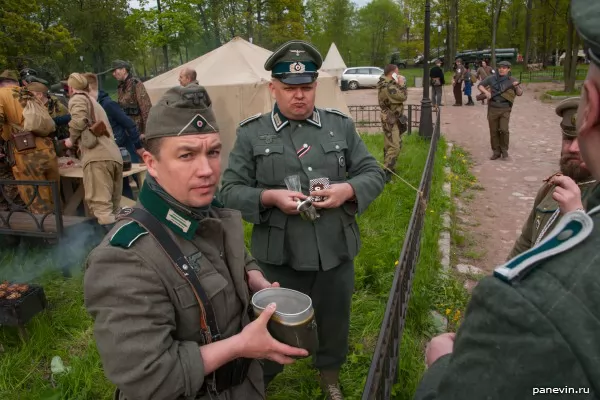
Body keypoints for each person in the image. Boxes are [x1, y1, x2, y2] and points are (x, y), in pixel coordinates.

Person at [413, 2, 600, 397]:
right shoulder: (554, 191)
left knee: (504, 136)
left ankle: (502, 151)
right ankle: (497, 151)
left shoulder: (535, 306)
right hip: (492, 111)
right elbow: (524, 245)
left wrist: (442, 367)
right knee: (496, 136)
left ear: (591, 104)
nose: (569, 147)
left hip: (505, 111)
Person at [84, 85, 307, 400]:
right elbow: (150, 379)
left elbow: (234, 256)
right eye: (186, 154)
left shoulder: (207, 213)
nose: (207, 170)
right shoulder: (124, 259)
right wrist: (241, 346)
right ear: (151, 162)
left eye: (213, 152)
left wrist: (253, 277)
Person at [220, 40, 385, 399]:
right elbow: (228, 190)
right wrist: (268, 197)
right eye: (290, 88)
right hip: (281, 253)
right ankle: (263, 377)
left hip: (334, 247)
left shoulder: (339, 127)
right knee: (275, 321)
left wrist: (347, 190)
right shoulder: (252, 133)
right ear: (272, 88)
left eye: (306, 88)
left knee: (335, 317)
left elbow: (373, 172)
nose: (299, 96)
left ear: (315, 87)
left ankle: (329, 375)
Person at [508, 97, 596, 258]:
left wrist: (577, 219)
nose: (574, 148)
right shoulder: (553, 186)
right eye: (568, 138)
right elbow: (526, 242)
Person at [64, 73, 123, 229]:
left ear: (71, 88)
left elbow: (78, 121)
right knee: (114, 208)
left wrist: (70, 140)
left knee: (102, 208)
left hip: (97, 157)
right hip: (113, 155)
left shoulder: (77, 99)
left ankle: (110, 249)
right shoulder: (94, 102)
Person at [0, 70, 59, 214]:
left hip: (26, 154)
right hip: (48, 150)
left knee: (37, 200)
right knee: (55, 197)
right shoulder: (29, 93)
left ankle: (48, 233)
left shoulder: (1, 95)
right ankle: (68, 233)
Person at [83, 73, 144, 199]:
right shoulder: (89, 106)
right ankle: (127, 212)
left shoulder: (108, 104)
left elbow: (130, 124)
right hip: (111, 152)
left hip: (125, 149)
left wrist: (138, 146)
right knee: (121, 186)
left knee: (141, 182)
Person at [478, 61, 523, 160]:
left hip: (505, 108)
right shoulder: (492, 78)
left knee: (504, 130)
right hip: (493, 107)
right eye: (500, 67)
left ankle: (504, 151)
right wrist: (486, 92)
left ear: (508, 69)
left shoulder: (512, 80)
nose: (502, 69)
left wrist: (516, 86)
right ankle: (496, 152)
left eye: (504, 67)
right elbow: (480, 85)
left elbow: (520, 93)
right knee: (493, 131)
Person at [378, 64, 408, 183]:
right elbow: (403, 96)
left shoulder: (388, 84)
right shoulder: (388, 86)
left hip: (392, 118)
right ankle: (386, 173)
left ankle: (389, 167)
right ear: (392, 73)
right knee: (395, 146)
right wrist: (402, 84)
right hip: (391, 119)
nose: (399, 74)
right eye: (397, 72)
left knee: (390, 144)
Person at [111, 60, 152, 139]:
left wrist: (146, 132)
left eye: (115, 70)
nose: (113, 74)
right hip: (127, 129)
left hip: (138, 130)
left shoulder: (136, 84)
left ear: (124, 70)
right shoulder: (120, 86)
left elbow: (146, 108)